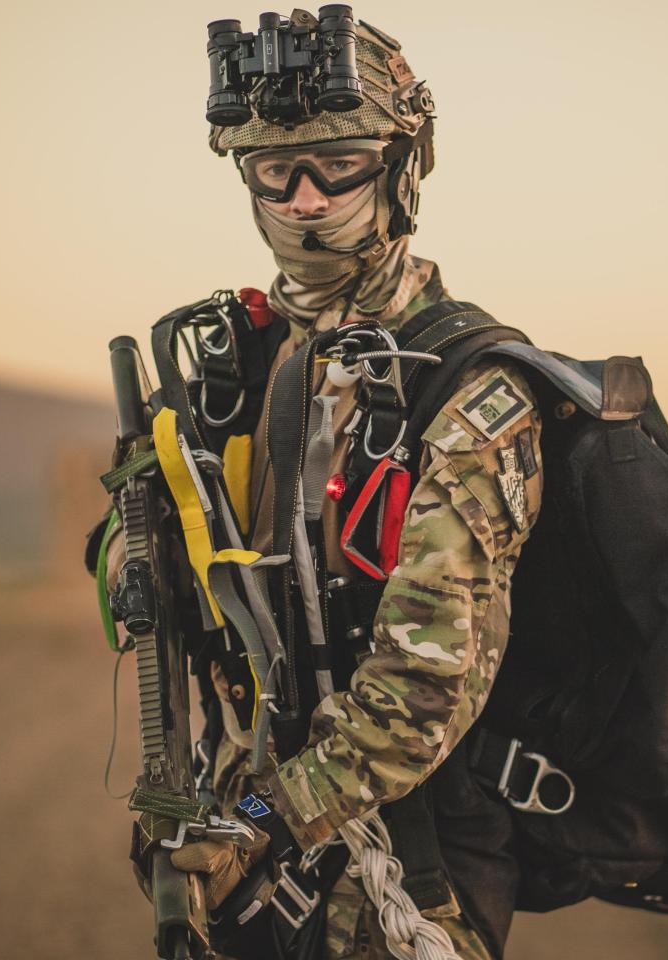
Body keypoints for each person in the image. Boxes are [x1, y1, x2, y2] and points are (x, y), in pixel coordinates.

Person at [153, 15, 543, 959]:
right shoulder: (249, 369)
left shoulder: (471, 386)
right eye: (272, 173)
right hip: (259, 853)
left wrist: (257, 819)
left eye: (340, 164)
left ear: (404, 168)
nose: (306, 200)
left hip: (405, 882)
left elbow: (422, 693)